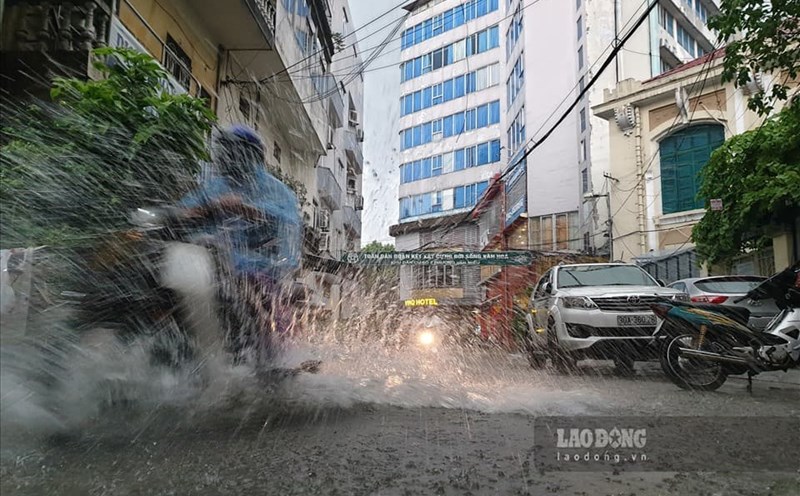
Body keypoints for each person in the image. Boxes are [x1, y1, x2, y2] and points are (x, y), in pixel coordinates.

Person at [177, 124, 303, 361]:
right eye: (223, 150)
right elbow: (186, 209)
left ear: (249, 155)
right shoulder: (215, 186)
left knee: (257, 294)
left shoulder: (276, 190)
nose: (225, 157)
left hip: (259, 269)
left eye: (232, 151)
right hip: (209, 265)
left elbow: (286, 222)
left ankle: (276, 357)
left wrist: (246, 209)